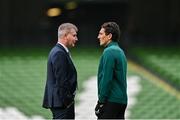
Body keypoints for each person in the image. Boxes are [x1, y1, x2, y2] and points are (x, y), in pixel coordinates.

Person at [42, 23, 78, 119]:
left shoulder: (59, 51)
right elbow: (61, 80)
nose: (76, 38)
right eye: (74, 35)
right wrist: (68, 101)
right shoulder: (59, 53)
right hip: (61, 103)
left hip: (60, 102)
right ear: (65, 36)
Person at [95, 22, 128, 119]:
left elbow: (107, 79)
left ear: (109, 36)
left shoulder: (109, 51)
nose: (98, 37)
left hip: (111, 100)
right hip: (121, 101)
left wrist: (100, 101)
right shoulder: (120, 51)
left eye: (101, 34)